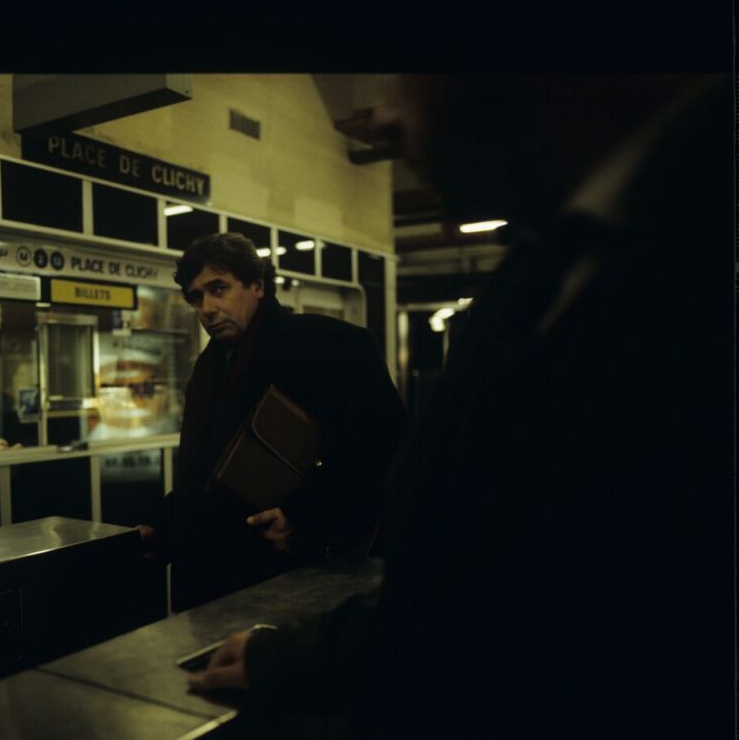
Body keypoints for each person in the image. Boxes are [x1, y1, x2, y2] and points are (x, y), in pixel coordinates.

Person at [187, 75, 733, 737]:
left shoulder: (691, 263)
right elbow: (459, 572)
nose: (383, 117)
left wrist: (312, 530)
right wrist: (299, 656)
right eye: (197, 296)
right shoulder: (540, 270)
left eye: (407, 72)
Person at [142, 232, 409, 612]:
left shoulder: (330, 344)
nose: (207, 308)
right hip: (213, 578)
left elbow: (387, 451)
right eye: (196, 298)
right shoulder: (209, 367)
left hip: (296, 574)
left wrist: (306, 518)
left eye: (219, 289)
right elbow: (202, 472)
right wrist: (164, 524)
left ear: (258, 285)